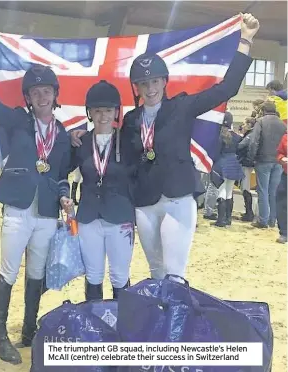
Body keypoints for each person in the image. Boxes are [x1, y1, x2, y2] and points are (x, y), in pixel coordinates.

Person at [72, 13, 260, 279]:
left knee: (174, 273)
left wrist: (245, 42)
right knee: (156, 271)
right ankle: (159, 320)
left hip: (177, 198)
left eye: (155, 81)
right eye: (144, 83)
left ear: (164, 81)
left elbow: (227, 88)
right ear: (136, 87)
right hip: (145, 202)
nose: (150, 88)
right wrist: (83, 133)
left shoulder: (182, 107)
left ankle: (175, 321)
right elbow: (116, 148)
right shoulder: (131, 119)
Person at [0, 27, 72, 365]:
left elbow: (62, 175)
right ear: (28, 97)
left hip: (45, 214)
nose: (41, 96)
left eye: (47, 91)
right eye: (36, 92)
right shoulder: (15, 121)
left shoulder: (65, 134)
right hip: (18, 209)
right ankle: (0, 336)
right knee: (9, 271)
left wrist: (66, 197)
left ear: (55, 95)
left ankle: (28, 330)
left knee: (36, 272)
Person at [69, 80, 135, 300]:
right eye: (97, 111)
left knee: (119, 275)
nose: (103, 116)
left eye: (108, 110)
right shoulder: (80, 142)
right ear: (90, 113)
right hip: (88, 217)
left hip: (120, 216)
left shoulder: (128, 141)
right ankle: (95, 326)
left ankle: (123, 327)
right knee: (94, 275)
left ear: (116, 112)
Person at [248, 101, 286, 228]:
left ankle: (263, 220)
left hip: (263, 160)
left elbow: (254, 141)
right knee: (273, 191)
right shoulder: (283, 124)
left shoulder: (261, 121)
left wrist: (251, 157)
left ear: (263, 110)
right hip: (279, 161)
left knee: (262, 190)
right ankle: (272, 220)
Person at [211, 112, 244, 227]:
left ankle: (221, 220)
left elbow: (215, 153)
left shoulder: (219, 136)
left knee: (221, 190)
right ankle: (228, 219)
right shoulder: (237, 136)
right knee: (229, 191)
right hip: (234, 163)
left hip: (222, 164)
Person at [237, 117, 256, 221]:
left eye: (244, 124)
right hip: (247, 163)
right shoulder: (250, 134)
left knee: (245, 187)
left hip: (246, 163)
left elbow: (240, 146)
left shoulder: (249, 136)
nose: (243, 126)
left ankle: (249, 213)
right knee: (244, 187)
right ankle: (248, 212)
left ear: (249, 125)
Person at [275, 133, 287, 243]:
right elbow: (279, 153)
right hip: (286, 175)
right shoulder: (285, 137)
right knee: (281, 202)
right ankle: (284, 232)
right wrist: (282, 158)